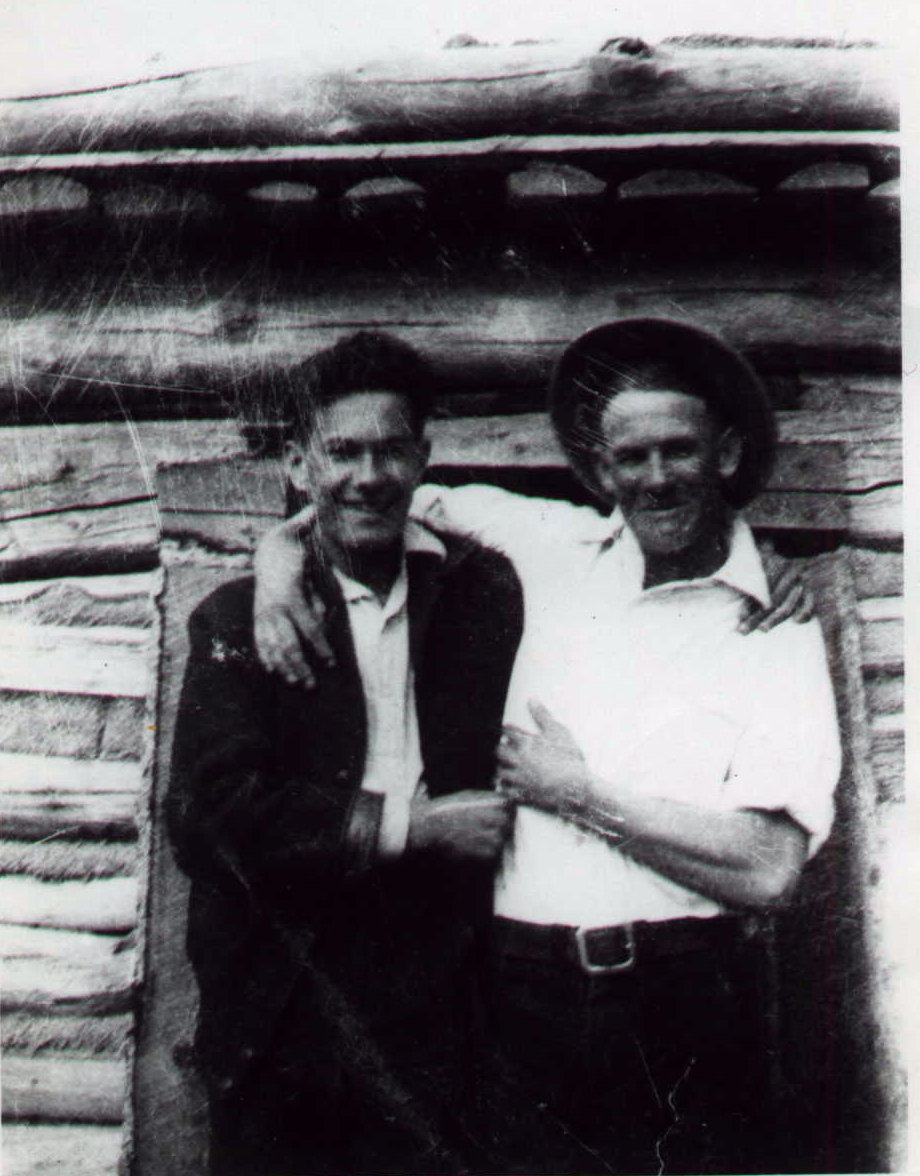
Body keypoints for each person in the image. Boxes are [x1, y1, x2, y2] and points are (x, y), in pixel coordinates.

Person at [253, 318, 841, 1175]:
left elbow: (769, 869)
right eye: (630, 458)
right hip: (522, 994)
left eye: (680, 450)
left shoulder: (774, 629)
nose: (656, 477)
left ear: (726, 455)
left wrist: (577, 794)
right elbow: (369, 497)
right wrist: (275, 559)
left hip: (686, 993)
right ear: (602, 470)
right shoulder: (548, 546)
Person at [167, 331, 524, 1176]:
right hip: (282, 1000)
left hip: (438, 998)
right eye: (342, 452)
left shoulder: (486, 592)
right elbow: (210, 819)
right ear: (297, 464)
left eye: (392, 450)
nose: (368, 476)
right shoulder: (236, 620)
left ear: (424, 458)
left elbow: (615, 548)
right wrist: (413, 826)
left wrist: (758, 554)